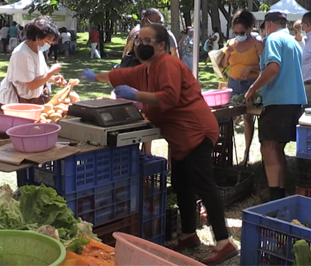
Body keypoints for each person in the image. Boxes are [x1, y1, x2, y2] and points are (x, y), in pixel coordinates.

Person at [81, 23, 237, 265]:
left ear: (161, 45)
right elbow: (121, 75)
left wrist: (136, 95)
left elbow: (170, 96)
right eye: (139, 40)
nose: (141, 45)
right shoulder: (147, 68)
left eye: (147, 41)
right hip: (179, 136)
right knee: (182, 184)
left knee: (204, 185)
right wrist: (95, 77)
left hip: (196, 131)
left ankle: (224, 242)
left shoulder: (168, 64)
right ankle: (188, 235)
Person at [244, 11, 306, 202]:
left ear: (268, 25)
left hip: (279, 101)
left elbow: (273, 67)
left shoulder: (272, 39)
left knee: (268, 148)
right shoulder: (293, 43)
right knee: (278, 148)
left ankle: (274, 196)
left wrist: (253, 88)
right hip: (295, 101)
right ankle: (280, 193)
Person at [220, 10, 263, 165]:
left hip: (249, 85)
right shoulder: (231, 44)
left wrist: (250, 68)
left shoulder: (257, 44)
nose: (238, 35)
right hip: (233, 83)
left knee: (248, 118)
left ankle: (246, 153)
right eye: (236, 32)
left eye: (242, 32)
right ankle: (227, 152)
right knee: (228, 117)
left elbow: (265, 67)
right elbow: (224, 65)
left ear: (250, 28)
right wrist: (227, 54)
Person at [0, 17, 66, 106]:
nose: (50, 44)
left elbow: (35, 76)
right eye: (48, 40)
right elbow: (32, 84)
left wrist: (51, 79)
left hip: (29, 103)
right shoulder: (22, 53)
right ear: (38, 38)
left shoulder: (38, 50)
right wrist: (51, 72)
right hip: (14, 104)